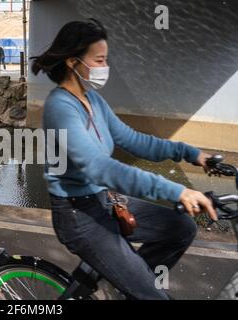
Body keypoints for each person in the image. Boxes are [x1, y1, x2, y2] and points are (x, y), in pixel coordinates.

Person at [31, 19, 217, 300]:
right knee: (154, 296)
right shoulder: (60, 108)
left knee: (181, 228)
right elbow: (100, 168)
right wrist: (178, 190)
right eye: (99, 60)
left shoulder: (93, 101)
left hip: (104, 202)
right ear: (72, 62)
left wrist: (191, 154)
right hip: (78, 217)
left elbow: (134, 141)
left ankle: (129, 288)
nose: (105, 67)